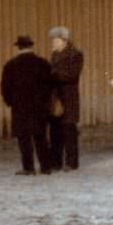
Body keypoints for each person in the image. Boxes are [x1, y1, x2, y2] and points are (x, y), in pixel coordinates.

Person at [0, 35, 54, 176]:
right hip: (39, 107)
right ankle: (45, 167)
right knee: (41, 137)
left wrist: (11, 102)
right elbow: (50, 85)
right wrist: (45, 101)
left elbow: (5, 88)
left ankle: (28, 168)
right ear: (31, 46)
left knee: (24, 139)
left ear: (18, 47)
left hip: (20, 107)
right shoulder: (43, 63)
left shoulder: (10, 65)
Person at [48, 26, 84, 171]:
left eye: (55, 40)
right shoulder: (54, 54)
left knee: (69, 130)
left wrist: (54, 75)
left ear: (64, 40)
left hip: (68, 98)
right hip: (56, 98)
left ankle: (71, 162)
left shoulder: (75, 54)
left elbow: (73, 75)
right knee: (55, 130)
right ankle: (56, 162)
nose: (53, 43)